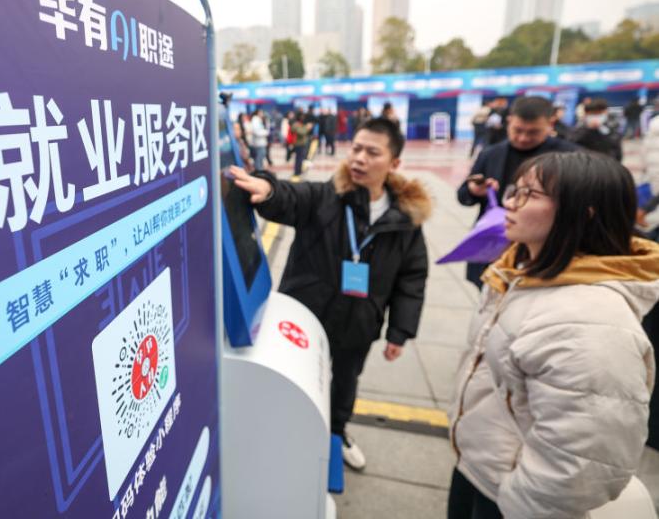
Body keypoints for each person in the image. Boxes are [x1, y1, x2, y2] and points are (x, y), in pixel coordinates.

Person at [447, 151, 659, 519]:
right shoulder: (521, 269)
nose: (510, 202)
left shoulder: (591, 322)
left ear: (584, 212)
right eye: (514, 190)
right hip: (481, 467)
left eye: (529, 194)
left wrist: (516, 501)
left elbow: (580, 464)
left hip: (511, 497)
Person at [228, 118, 430, 472]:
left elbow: (411, 277)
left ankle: (336, 434)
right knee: (296, 382)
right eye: (356, 148)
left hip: (359, 323)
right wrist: (268, 188)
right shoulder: (325, 197)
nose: (359, 158)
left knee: (345, 384)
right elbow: (291, 197)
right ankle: (286, 439)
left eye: (372, 152)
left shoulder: (405, 219)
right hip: (307, 317)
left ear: (394, 162)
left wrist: (400, 331)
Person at [458, 96, 577, 287]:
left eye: (533, 132)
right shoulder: (491, 154)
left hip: (545, 248)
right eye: (517, 130)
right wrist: (475, 190)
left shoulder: (570, 158)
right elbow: (464, 195)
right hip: (494, 246)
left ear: (550, 124)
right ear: (509, 121)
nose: (523, 138)